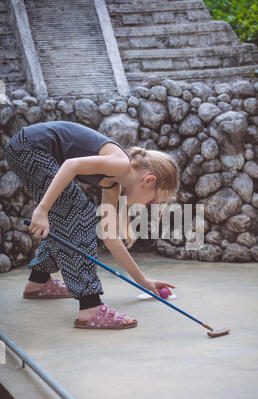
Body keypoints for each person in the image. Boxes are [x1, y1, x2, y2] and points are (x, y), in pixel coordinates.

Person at [5, 120, 180, 330]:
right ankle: (90, 308)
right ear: (149, 180)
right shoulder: (120, 163)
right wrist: (42, 210)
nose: (149, 205)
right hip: (29, 146)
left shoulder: (112, 183)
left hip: (27, 148)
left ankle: (38, 282)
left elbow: (110, 237)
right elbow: (71, 165)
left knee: (67, 217)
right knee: (78, 213)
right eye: (153, 200)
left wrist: (143, 281)